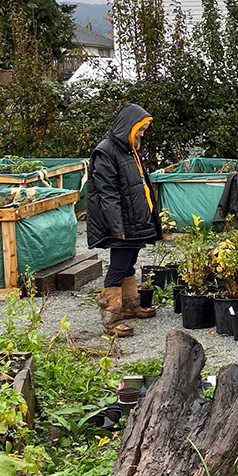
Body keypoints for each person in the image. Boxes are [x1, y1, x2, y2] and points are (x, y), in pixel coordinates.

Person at [87, 103, 160, 337]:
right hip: (122, 222)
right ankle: (111, 316)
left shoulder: (128, 149)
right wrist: (117, 226)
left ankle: (130, 305)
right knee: (119, 265)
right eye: (140, 129)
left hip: (135, 220)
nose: (141, 134)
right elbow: (107, 192)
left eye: (144, 130)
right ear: (129, 126)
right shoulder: (105, 151)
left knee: (130, 260)